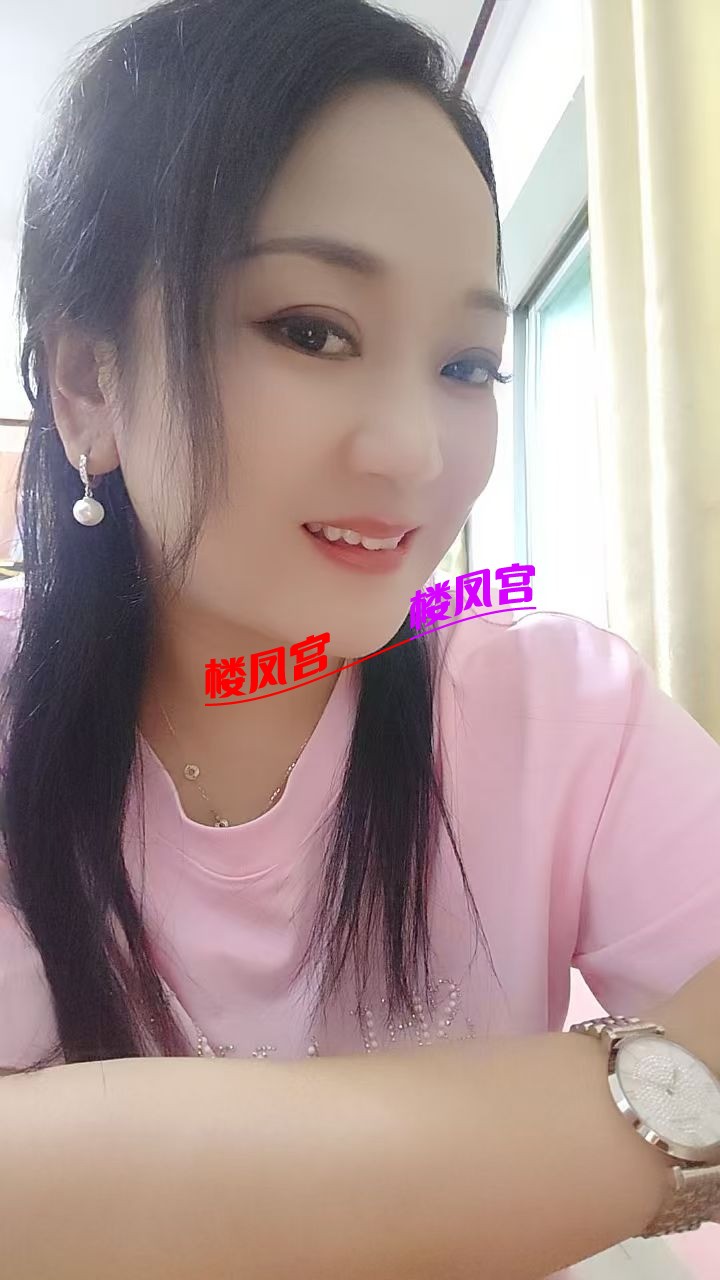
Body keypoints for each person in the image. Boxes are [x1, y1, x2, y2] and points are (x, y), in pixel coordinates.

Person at [0, 0, 719, 1277]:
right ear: (90, 382)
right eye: (311, 330)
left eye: (468, 366)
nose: (414, 451)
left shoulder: (556, 704)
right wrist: (656, 1117)